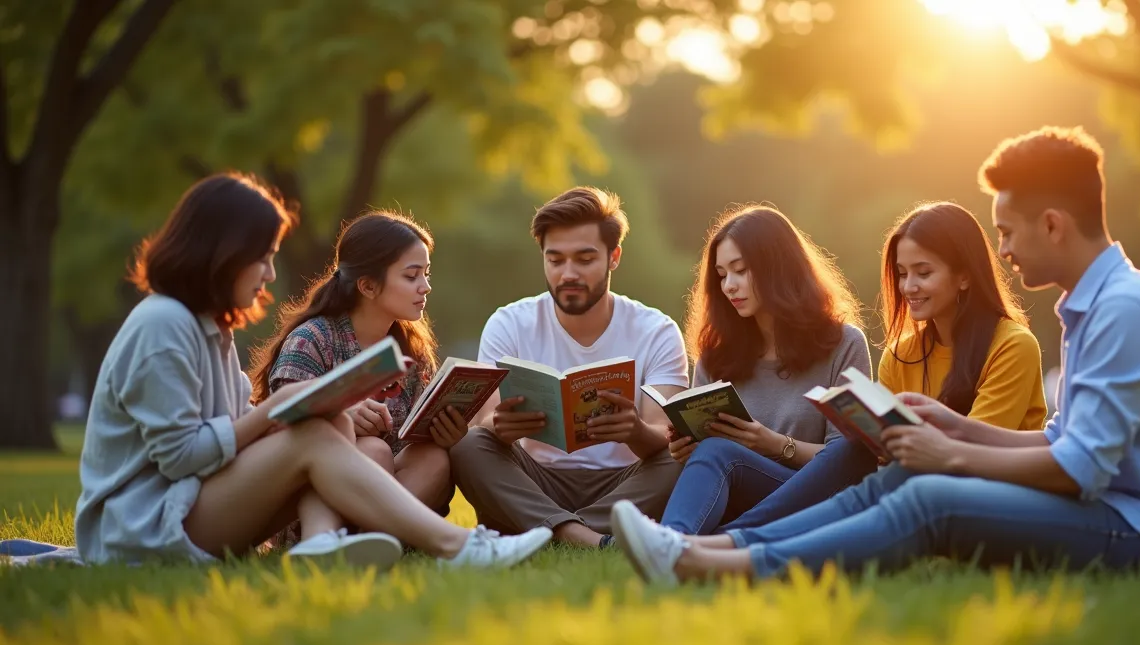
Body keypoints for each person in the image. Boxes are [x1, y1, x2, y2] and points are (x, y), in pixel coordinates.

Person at [609, 126, 1140, 584]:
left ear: (1053, 224)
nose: (1002, 250)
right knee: (904, 476)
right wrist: (953, 427)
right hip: (1115, 509)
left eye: (1007, 232)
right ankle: (709, 550)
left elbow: (1080, 469)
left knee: (932, 497)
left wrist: (949, 452)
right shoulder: (1093, 307)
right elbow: (1064, 441)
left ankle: (724, 566)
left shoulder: (1123, 310)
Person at [73, 173, 551, 569]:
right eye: (262, 259)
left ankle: (323, 545)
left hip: (193, 507)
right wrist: (278, 408)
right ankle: (458, 546)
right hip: (144, 528)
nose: (269, 274)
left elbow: (231, 435)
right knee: (321, 426)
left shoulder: (209, 329)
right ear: (222, 254)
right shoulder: (163, 325)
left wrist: (298, 413)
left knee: (329, 422)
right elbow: (180, 458)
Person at [707, 201, 1048, 533]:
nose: (908, 287)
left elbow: (974, 456)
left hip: (984, 495)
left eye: (923, 273)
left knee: (851, 458)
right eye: (902, 274)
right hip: (905, 488)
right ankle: (732, 540)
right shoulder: (901, 354)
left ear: (964, 276)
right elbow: (880, 457)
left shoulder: (1012, 345)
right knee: (850, 448)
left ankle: (730, 539)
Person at [448, 187, 691, 548]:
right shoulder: (509, 323)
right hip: (536, 481)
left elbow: (665, 434)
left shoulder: (656, 330)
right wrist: (500, 426)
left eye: (584, 259)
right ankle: (588, 538)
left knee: (687, 455)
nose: (568, 274)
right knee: (469, 444)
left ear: (614, 257)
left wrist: (635, 430)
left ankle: (544, 531)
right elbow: (484, 422)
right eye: (555, 260)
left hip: (625, 484)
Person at [247, 212, 463, 546]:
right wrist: (341, 413)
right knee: (374, 450)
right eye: (411, 276)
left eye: (426, 273)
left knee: (433, 458)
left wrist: (446, 432)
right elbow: (281, 428)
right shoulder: (312, 340)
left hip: (394, 488)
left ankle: (375, 541)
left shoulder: (412, 350)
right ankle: (343, 540)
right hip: (315, 500)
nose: (426, 286)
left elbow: (416, 437)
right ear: (367, 285)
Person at [657, 205, 872, 535]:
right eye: (722, 275)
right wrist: (686, 451)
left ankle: (692, 541)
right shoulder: (716, 357)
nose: (729, 285)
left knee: (850, 448)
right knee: (714, 451)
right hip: (738, 494)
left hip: (815, 498)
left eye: (740, 270)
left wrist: (773, 444)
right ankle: (678, 541)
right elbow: (711, 459)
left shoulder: (844, 343)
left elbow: (849, 460)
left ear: (779, 267)